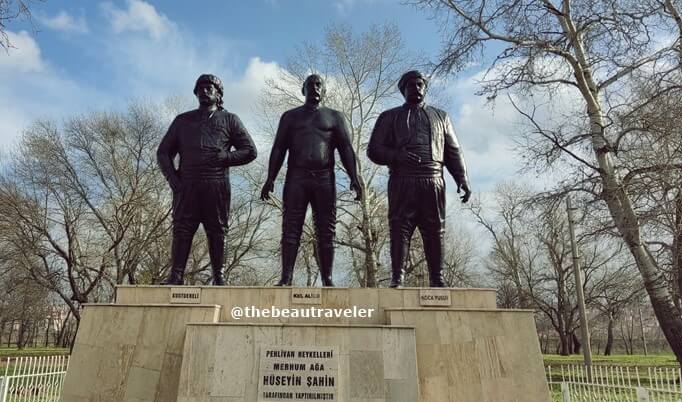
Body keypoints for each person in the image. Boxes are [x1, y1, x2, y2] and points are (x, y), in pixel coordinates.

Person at [366, 70, 471, 287]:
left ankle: (437, 278)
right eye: (411, 85)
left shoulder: (441, 117)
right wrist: (396, 155)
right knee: (399, 228)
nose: (416, 88)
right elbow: (373, 150)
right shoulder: (389, 116)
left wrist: (462, 178)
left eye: (420, 84)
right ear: (403, 89)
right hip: (402, 180)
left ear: (425, 88)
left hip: (432, 180)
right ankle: (398, 277)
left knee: (435, 230)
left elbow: (453, 150)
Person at [261, 74, 363, 286]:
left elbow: (346, 149)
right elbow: (278, 148)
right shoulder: (290, 117)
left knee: (326, 229)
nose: (315, 88)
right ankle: (286, 277)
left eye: (319, 85)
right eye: (310, 84)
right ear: (303, 89)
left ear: (324, 91)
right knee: (290, 227)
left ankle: (327, 279)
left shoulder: (335, 117)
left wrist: (355, 177)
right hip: (296, 177)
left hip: (324, 178)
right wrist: (270, 178)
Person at [157, 74, 257, 285]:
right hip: (188, 185)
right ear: (196, 92)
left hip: (216, 184)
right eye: (200, 88)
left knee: (218, 229)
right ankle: (176, 275)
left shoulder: (229, 119)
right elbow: (163, 152)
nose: (205, 91)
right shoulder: (183, 120)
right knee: (182, 229)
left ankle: (219, 276)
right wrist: (174, 180)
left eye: (210, 87)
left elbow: (249, 150)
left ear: (219, 93)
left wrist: (226, 157)